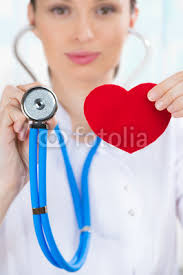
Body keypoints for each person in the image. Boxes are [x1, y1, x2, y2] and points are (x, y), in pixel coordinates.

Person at [0, 0, 183, 274]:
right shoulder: (7, 134)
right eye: (60, 10)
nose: (83, 33)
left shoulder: (173, 130)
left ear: (132, 17)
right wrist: (6, 183)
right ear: (32, 17)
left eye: (105, 9)